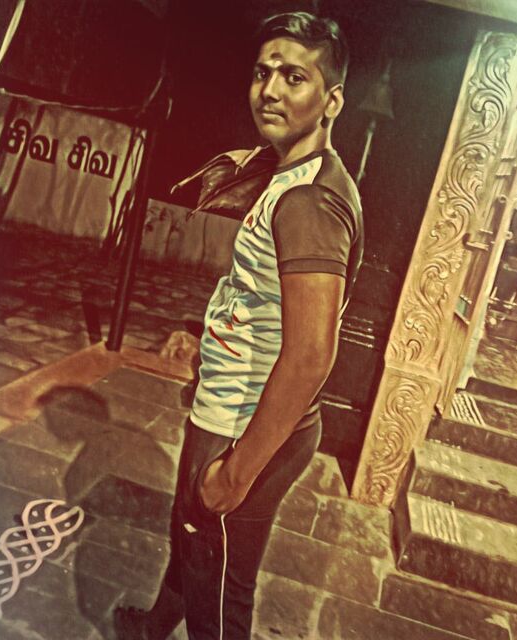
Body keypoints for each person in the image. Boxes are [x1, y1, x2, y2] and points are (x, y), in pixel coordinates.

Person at [115, 11, 363, 640]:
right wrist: (210, 342)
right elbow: (263, 300)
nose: (270, 90)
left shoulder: (309, 202)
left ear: (332, 101)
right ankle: (151, 628)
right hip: (228, 405)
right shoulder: (289, 177)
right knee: (192, 540)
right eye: (262, 73)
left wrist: (236, 471)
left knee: (220, 597)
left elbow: (312, 354)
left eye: (294, 78)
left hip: (243, 424)